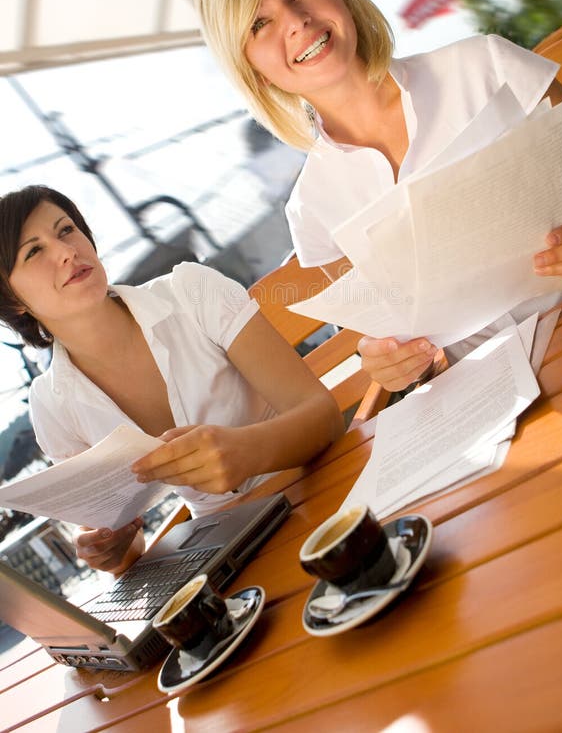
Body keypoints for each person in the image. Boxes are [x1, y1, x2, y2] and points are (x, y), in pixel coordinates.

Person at [195, 0, 562, 393]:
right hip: (496, 396)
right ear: (254, 73)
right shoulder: (313, 209)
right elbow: (405, 347)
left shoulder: (484, 67)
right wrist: (400, 366)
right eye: (258, 23)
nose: (296, 20)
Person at [0, 185, 343, 574]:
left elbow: (324, 417)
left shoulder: (191, 291)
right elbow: (127, 545)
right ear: (14, 302)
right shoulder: (52, 407)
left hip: (318, 487)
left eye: (66, 230)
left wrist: (246, 451)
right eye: (34, 251)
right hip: (226, 553)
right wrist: (112, 552)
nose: (66, 251)